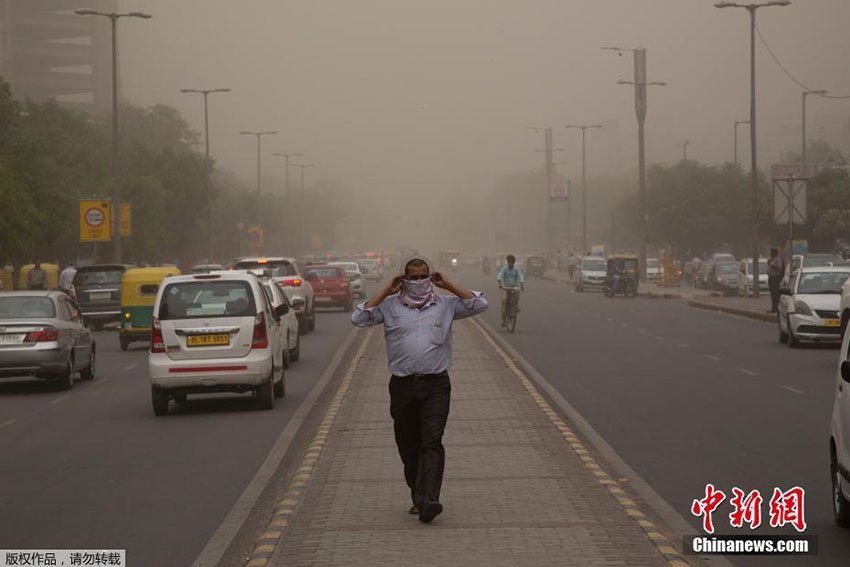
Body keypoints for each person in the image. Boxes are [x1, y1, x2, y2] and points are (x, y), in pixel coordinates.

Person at [351, 258, 488, 523]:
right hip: (402, 386)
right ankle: (418, 494)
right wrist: (386, 290)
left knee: (432, 441)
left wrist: (448, 285)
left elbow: (480, 304)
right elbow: (359, 318)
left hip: (436, 385)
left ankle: (430, 500)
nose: (418, 282)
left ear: (430, 277)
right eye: (412, 278)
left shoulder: (446, 305)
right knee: (408, 444)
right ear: (403, 279)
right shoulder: (389, 306)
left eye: (423, 276)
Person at [496, 254, 524, 327]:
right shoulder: (504, 269)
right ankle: (503, 320)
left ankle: (516, 306)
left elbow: (521, 276)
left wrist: (521, 284)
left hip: (514, 287)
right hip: (506, 287)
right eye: (509, 262)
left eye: (511, 262)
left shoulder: (517, 269)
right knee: (504, 301)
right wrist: (499, 283)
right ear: (507, 262)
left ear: (513, 263)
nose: (510, 264)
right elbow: (499, 275)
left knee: (517, 293)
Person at [766, 248, 785, 313]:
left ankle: (776, 309)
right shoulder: (772, 259)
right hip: (771, 278)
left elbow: (779, 267)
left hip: (775, 278)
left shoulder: (777, 259)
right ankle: (774, 308)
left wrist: (772, 265)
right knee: (772, 294)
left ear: (774, 253)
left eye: (771, 253)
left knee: (775, 294)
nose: (770, 254)